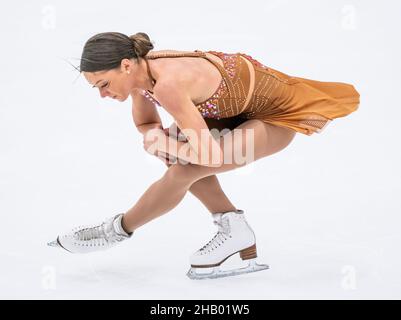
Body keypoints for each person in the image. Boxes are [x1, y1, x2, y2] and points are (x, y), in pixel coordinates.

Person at [48, 32, 360, 279]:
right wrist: (158, 140)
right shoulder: (141, 77)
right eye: (96, 88)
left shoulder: (168, 85)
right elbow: (147, 124)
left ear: (126, 66)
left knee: (184, 166)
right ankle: (234, 228)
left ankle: (115, 231)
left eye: (104, 84)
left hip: (275, 119)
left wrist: (164, 145)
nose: (103, 94)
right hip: (236, 112)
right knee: (179, 147)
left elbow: (207, 157)